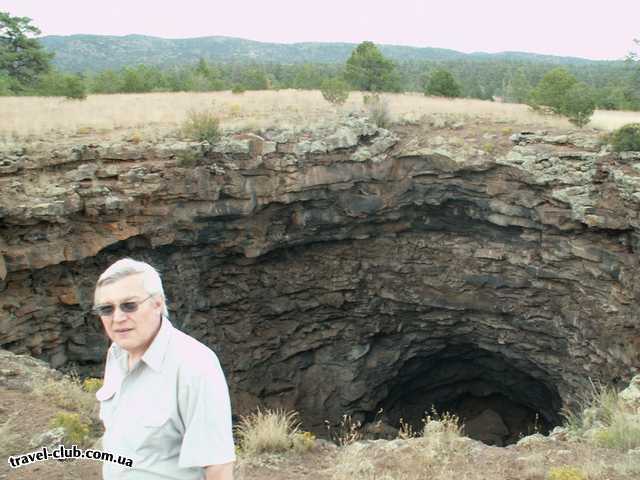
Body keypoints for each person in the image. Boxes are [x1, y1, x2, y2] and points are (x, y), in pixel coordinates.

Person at [93, 258, 235, 479]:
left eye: (129, 305)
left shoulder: (195, 365)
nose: (118, 318)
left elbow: (218, 467)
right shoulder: (116, 354)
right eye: (106, 309)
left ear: (157, 303)